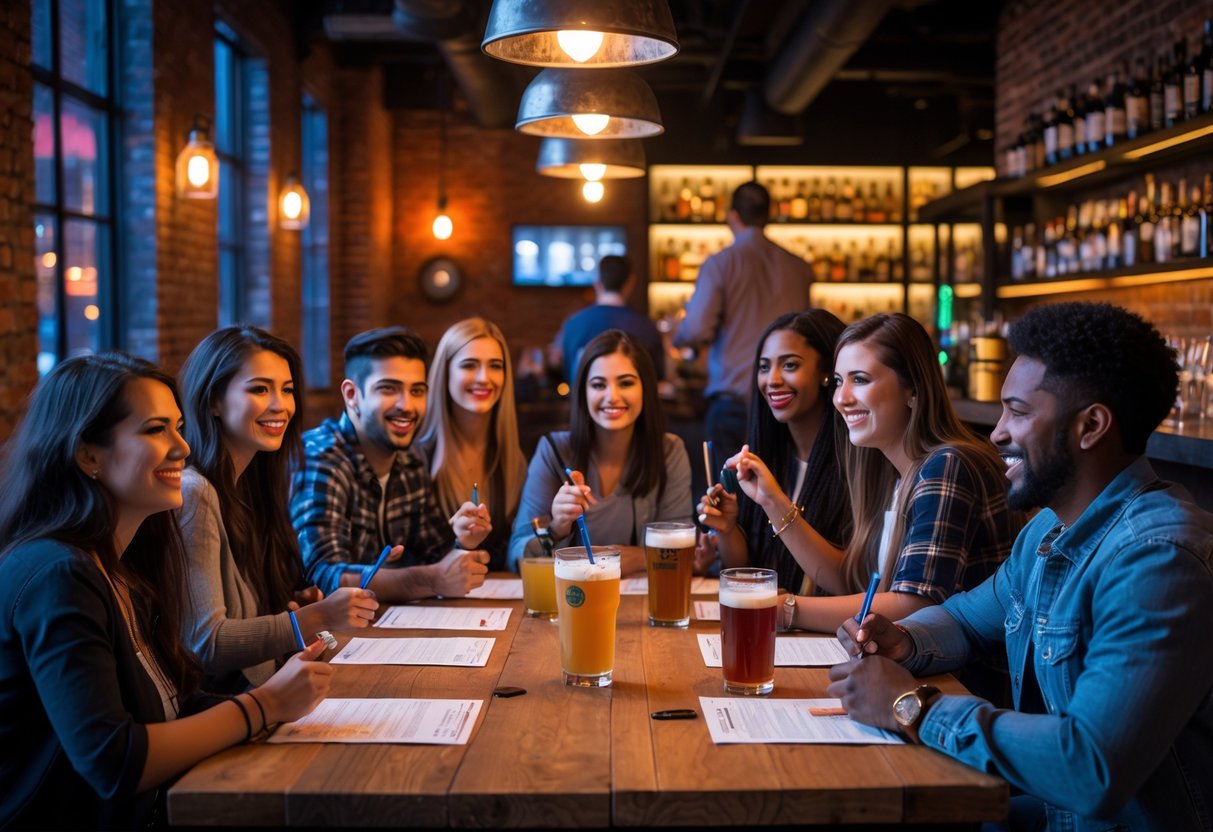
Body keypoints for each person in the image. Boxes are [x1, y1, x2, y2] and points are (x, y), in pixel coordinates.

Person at [827, 302, 1213, 830]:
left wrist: (912, 705)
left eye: (1019, 412)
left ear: (1091, 426)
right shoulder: (1046, 531)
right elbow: (964, 618)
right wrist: (904, 640)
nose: (997, 433)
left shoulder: (1157, 561)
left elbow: (1089, 767)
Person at [0, 353, 329, 829]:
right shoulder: (56, 573)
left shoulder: (120, 563)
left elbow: (173, 705)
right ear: (87, 454)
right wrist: (266, 705)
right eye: (156, 429)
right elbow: (114, 761)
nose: (182, 447)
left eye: (178, 426)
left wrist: (288, 707)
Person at [726, 313, 1020, 699]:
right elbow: (852, 583)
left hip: (966, 697)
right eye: (838, 381)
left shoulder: (948, 465)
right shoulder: (894, 472)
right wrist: (770, 499)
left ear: (912, 388)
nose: (841, 398)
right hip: (920, 684)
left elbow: (912, 604)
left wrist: (785, 608)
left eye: (860, 380)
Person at [178, 326, 379, 693]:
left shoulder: (255, 484)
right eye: (259, 389)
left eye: (286, 390)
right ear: (213, 401)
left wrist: (294, 611)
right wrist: (310, 618)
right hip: (221, 709)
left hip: (266, 694)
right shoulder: (194, 491)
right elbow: (205, 644)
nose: (280, 405)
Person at [291, 326, 492, 603]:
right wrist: (431, 579)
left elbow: (434, 554)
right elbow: (323, 575)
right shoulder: (321, 458)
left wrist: (462, 540)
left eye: (417, 391)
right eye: (389, 388)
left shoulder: (409, 462)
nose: (407, 405)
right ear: (352, 395)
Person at [508, 330, 692, 575]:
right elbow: (515, 556)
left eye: (626, 383)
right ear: (583, 393)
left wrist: (638, 558)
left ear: (646, 389)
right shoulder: (554, 451)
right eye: (598, 384)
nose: (612, 397)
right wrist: (556, 529)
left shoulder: (668, 451)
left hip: (641, 604)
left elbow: (683, 550)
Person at [696, 310, 851, 592]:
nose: (773, 380)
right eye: (764, 367)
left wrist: (775, 502)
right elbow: (743, 574)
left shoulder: (856, 464)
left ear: (827, 372)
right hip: (770, 627)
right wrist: (729, 530)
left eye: (790, 365)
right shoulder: (765, 457)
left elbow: (849, 583)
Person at [672, 181, 813, 455]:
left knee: (728, 493)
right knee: (781, 490)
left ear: (732, 216)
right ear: (769, 214)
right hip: (787, 401)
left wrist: (678, 333)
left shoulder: (720, 264)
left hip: (734, 404)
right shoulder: (799, 267)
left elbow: (697, 330)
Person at [416, 318, 528, 572]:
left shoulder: (513, 460)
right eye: (469, 365)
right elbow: (413, 562)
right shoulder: (416, 459)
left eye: (495, 366)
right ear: (445, 374)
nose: (484, 378)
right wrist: (461, 545)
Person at [550, 254, 666, 385]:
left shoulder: (573, 324)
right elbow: (658, 376)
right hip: (629, 404)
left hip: (581, 403)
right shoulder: (646, 327)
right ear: (631, 282)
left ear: (597, 283)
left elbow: (562, 368)